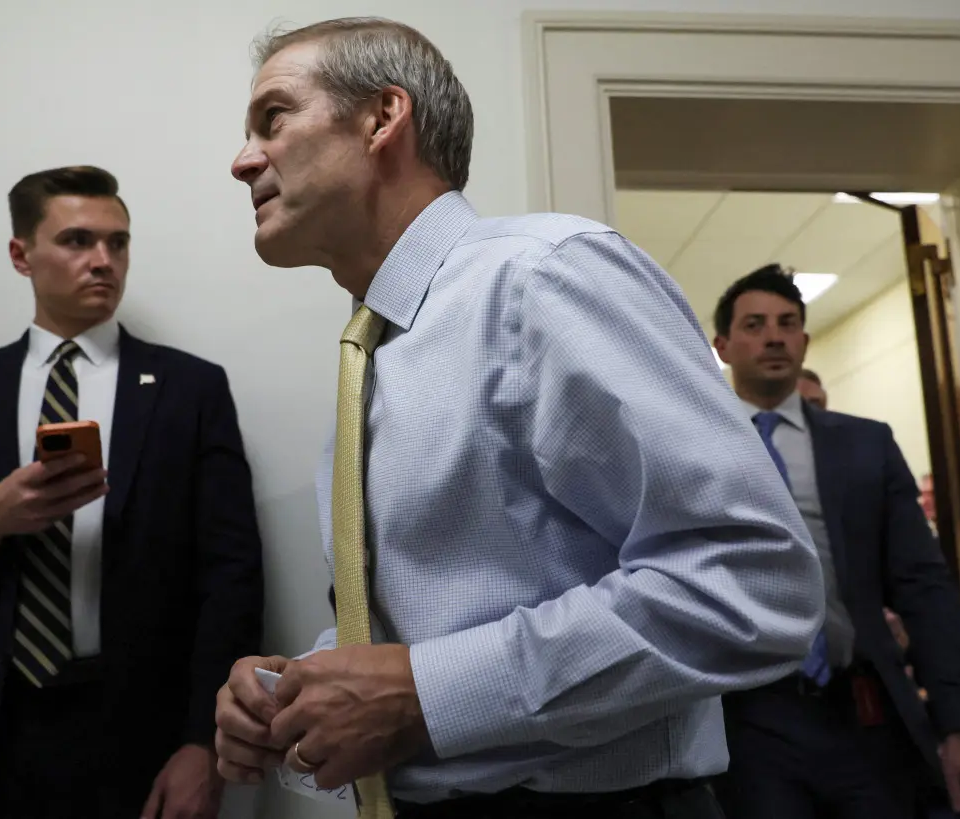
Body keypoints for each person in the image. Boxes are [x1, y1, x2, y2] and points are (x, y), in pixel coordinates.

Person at [214, 17, 824, 819]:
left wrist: (430, 693)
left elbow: (753, 577)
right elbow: (451, 624)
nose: (242, 160)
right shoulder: (374, 354)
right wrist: (299, 693)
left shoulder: (542, 279)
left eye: (273, 118)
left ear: (381, 118)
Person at [0, 166, 264, 819]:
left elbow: (232, 579)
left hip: (138, 735)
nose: (103, 261)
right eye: (77, 240)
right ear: (22, 255)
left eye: (119, 242)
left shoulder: (189, 391)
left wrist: (202, 743)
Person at [710, 264, 960, 819]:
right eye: (755, 324)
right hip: (746, 718)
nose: (774, 336)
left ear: (804, 342)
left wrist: (958, 724)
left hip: (861, 710)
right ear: (723, 345)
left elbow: (922, 585)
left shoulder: (865, 446)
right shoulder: (694, 446)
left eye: (788, 324)